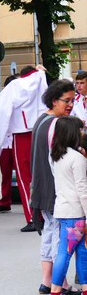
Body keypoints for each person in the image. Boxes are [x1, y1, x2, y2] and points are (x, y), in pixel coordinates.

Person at [0, 65, 48, 233]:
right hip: (40, 131)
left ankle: (33, 218)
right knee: (40, 175)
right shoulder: (42, 81)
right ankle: (44, 215)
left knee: (24, 178)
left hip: (21, 134)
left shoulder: (15, 86)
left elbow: (0, 111)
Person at [30, 80, 77, 295]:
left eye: (72, 100)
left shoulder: (41, 120)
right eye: (66, 101)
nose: (70, 105)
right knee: (59, 236)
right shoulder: (57, 124)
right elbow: (60, 160)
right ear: (53, 100)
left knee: (49, 233)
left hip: (41, 185)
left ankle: (47, 281)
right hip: (55, 188)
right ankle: (60, 284)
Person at [49, 116, 87, 295]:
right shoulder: (77, 158)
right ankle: (55, 289)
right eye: (80, 130)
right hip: (76, 211)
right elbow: (83, 189)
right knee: (68, 252)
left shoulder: (57, 156)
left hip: (63, 209)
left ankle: (83, 287)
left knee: (78, 250)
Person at [0, 74, 19, 214]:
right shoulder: (1, 102)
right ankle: (5, 201)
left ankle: (30, 201)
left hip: (17, 141)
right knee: (6, 174)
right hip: (5, 143)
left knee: (24, 174)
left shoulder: (22, 101)